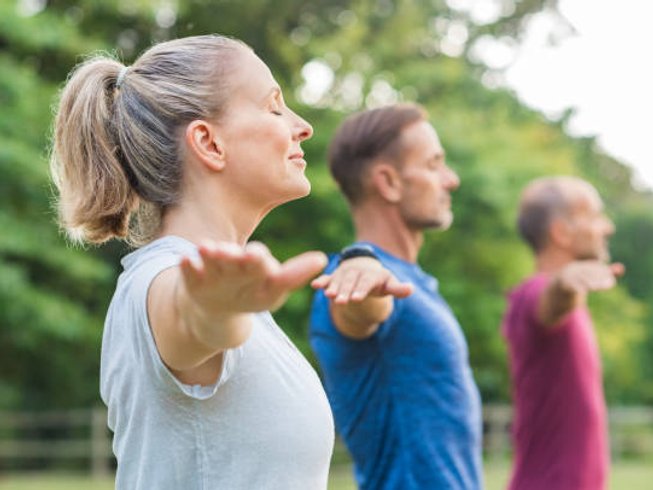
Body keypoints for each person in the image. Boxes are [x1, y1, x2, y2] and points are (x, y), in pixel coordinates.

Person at [49, 35, 334, 489]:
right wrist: (213, 310)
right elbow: (188, 319)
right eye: (274, 106)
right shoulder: (161, 281)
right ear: (209, 143)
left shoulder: (231, 296)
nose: (302, 126)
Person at [309, 103, 483, 489]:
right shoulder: (353, 280)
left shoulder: (414, 282)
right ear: (388, 182)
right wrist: (361, 272)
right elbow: (361, 307)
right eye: (434, 164)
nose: (450, 179)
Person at [502, 176, 624, 490]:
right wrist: (563, 282)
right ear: (561, 232)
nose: (607, 227)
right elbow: (550, 301)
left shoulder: (574, 308)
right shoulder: (533, 294)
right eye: (595, 215)